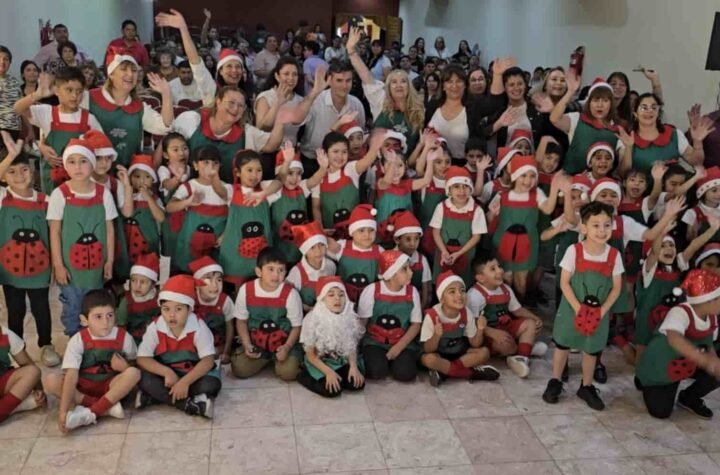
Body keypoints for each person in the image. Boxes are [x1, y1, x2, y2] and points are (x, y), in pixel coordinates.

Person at [542, 202, 623, 410]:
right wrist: (578, 308)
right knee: (563, 344)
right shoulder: (574, 250)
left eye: (607, 225)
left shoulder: (614, 255)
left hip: (598, 313)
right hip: (571, 308)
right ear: (584, 228)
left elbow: (616, 288)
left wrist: (602, 311)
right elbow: (564, 282)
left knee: (591, 348)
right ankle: (555, 380)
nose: (602, 230)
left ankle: (586, 386)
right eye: (596, 225)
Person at [47, 138, 117, 336]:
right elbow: (55, 231)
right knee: (73, 306)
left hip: (96, 267)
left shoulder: (104, 193)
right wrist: (58, 265)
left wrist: (110, 261)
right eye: (72, 161)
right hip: (70, 268)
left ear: (92, 163)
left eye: (83, 161)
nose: (77, 167)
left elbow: (109, 229)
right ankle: (74, 340)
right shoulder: (60, 194)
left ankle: (93, 340)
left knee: (95, 306)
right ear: (65, 165)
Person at [0, 132, 59, 366]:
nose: (19, 176)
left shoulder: (47, 200)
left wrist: (55, 264)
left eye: (24, 169)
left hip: (39, 267)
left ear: (32, 170)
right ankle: (17, 351)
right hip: (10, 269)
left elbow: (54, 235)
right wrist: (10, 156)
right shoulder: (2, 197)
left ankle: (46, 344)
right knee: (15, 311)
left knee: (41, 308)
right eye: (11, 171)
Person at [43, 289, 139, 432]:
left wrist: (125, 367)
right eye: (98, 317)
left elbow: (134, 364)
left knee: (134, 373)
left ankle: (92, 412)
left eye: (110, 315)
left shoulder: (124, 337)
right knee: (51, 380)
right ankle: (106, 408)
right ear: (84, 320)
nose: (105, 322)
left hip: (110, 387)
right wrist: (63, 412)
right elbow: (71, 376)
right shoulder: (77, 340)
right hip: (82, 388)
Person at [636, 269, 720, 419]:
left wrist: (714, 361)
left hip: (687, 363)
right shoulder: (680, 312)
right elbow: (674, 339)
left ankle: (689, 397)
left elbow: (708, 345)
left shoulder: (712, 318)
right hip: (662, 367)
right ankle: (650, 385)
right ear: (707, 300)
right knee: (661, 411)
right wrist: (704, 360)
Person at [136, 274, 220, 418]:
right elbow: (142, 358)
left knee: (210, 384)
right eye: (166, 309)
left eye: (178, 309)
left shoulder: (199, 328)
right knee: (143, 378)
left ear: (189, 309)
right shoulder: (155, 327)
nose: (171, 315)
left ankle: (156, 396)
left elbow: (207, 361)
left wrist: (185, 382)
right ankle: (191, 405)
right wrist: (166, 372)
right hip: (169, 375)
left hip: (192, 375)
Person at [487, 155, 561, 301]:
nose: (528, 180)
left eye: (532, 176)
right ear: (515, 176)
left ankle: (520, 305)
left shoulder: (537, 194)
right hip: (504, 244)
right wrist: (492, 213)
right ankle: (504, 306)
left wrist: (554, 187)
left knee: (521, 281)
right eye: (523, 175)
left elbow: (547, 209)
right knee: (505, 278)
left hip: (527, 245)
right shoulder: (502, 195)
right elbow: (489, 221)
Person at [81, 52, 172, 168]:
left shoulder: (139, 107)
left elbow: (165, 125)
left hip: (128, 171)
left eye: (134, 71)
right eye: (124, 69)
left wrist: (166, 93)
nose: (130, 74)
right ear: (111, 75)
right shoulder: (88, 98)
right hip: (92, 171)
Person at [467, 252, 545, 378]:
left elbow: (517, 310)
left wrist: (534, 318)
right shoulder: (474, 295)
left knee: (530, 324)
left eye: (499, 266)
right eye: (493, 269)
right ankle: (525, 347)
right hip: (488, 334)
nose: (500, 271)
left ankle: (522, 357)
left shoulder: (506, 289)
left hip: (506, 327)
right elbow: (472, 322)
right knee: (506, 346)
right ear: (481, 278)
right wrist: (492, 332)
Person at [346, 27, 423, 154]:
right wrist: (351, 50)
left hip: (406, 163)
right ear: (388, 87)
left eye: (403, 81)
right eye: (394, 82)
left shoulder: (418, 109)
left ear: (409, 86)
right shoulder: (381, 99)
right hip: (377, 161)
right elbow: (366, 76)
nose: (399, 85)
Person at [232, 247, 303, 381]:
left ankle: (285, 359)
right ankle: (264, 359)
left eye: (281, 270)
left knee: (288, 373)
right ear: (259, 272)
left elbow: (297, 326)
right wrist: (247, 345)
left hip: (284, 343)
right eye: (270, 269)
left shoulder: (291, 294)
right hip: (257, 343)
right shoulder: (246, 290)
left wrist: (287, 347)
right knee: (239, 369)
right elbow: (241, 321)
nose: (276, 275)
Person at [420, 271, 500, 386]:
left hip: (459, 354)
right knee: (429, 360)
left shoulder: (466, 313)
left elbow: (475, 344)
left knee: (484, 353)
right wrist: (436, 335)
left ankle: (444, 372)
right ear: (442, 299)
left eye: (462, 290)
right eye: (452, 291)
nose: (459, 295)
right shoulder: (432, 315)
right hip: (439, 354)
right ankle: (470, 373)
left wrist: (480, 330)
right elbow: (428, 349)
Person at [424, 61, 512, 162]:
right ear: (443, 86)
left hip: (464, 165)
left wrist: (497, 75)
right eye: (449, 81)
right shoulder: (433, 104)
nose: (454, 85)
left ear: (465, 85)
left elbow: (495, 103)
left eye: (459, 81)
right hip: (433, 164)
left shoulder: (473, 105)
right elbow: (425, 132)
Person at [217, 150, 282, 286]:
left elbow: (279, 182)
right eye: (249, 170)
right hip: (234, 251)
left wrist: (262, 194)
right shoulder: (231, 190)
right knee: (237, 284)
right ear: (237, 172)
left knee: (260, 284)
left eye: (259, 170)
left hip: (261, 251)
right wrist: (213, 176)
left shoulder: (264, 188)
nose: (254, 175)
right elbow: (219, 190)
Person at [358, 250, 422, 381]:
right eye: (404, 269)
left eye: (409, 268)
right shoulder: (371, 290)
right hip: (374, 341)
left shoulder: (412, 292)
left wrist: (398, 348)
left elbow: (416, 324)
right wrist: (354, 349)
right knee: (377, 371)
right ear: (391, 274)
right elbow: (361, 324)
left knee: (406, 374)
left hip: (401, 341)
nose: (411, 272)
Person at [297, 276, 365, 397]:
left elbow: (351, 346)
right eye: (331, 295)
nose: (337, 299)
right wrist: (328, 372)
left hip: (339, 360)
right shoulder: (311, 319)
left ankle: (338, 375)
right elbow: (310, 355)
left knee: (357, 384)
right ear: (322, 299)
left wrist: (353, 367)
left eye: (341, 295)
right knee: (332, 390)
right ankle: (304, 376)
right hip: (319, 361)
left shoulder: (349, 316)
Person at [167, 145, 229, 273]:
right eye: (205, 162)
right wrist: (188, 202)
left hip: (216, 245)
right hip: (190, 244)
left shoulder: (226, 189)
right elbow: (169, 207)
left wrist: (225, 235)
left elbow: (234, 216)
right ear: (195, 165)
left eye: (215, 163)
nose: (211, 167)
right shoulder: (189, 186)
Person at [299, 61, 366, 176]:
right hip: (312, 160)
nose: (344, 86)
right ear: (329, 81)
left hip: (343, 164)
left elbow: (360, 133)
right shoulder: (315, 100)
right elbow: (297, 120)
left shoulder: (356, 104)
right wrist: (314, 93)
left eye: (348, 80)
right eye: (339, 80)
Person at [619, 93, 713, 175]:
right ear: (635, 114)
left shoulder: (674, 134)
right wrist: (628, 148)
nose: (649, 111)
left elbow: (696, 163)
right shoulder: (626, 138)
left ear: (658, 112)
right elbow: (623, 174)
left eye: (654, 107)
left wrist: (697, 141)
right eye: (644, 108)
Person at [550, 75, 624, 175]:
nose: (600, 105)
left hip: (601, 182)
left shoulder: (616, 130)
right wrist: (570, 92)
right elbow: (554, 119)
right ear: (589, 103)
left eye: (605, 101)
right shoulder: (577, 119)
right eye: (596, 100)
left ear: (611, 104)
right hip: (571, 179)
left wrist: (628, 147)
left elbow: (622, 166)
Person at [311, 132, 379, 238]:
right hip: (331, 235)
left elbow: (367, 161)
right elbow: (316, 208)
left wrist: (375, 145)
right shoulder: (318, 178)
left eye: (344, 152)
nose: (340, 156)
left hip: (356, 234)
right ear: (325, 153)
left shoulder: (350, 169)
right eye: (335, 151)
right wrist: (320, 230)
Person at [269, 144, 327, 264]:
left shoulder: (302, 188)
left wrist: (323, 168)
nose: (295, 178)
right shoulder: (275, 190)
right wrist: (286, 163)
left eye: (299, 173)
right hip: (279, 245)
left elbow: (314, 180)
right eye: (290, 173)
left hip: (300, 245)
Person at [254, 57, 328, 151]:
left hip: (290, 151)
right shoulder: (265, 97)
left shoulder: (300, 100)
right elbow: (262, 127)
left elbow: (298, 121)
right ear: (277, 76)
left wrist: (315, 91)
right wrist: (278, 102)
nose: (291, 78)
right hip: (267, 151)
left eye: (294, 74)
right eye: (286, 74)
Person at [430, 166, 487, 285]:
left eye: (465, 186)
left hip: (465, 254)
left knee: (463, 283)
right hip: (443, 253)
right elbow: (436, 232)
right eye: (456, 187)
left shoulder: (477, 210)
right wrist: (444, 251)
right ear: (449, 190)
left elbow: (476, 237)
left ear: (470, 189)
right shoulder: (441, 207)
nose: (462, 191)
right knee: (442, 283)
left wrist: (459, 253)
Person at [188, 256, 235, 364]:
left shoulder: (225, 301)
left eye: (219, 280)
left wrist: (226, 352)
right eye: (208, 279)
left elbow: (230, 327)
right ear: (197, 284)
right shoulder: (190, 298)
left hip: (217, 345)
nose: (215, 285)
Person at [286, 220, 336, 312]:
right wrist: (307, 308)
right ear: (305, 250)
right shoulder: (297, 272)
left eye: (321, 245)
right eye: (312, 247)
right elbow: (288, 297)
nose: (318, 251)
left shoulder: (331, 266)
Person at [0, 321, 44, 424]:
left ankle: (7, 408)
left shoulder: (6, 334)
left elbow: (27, 363)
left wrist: (39, 391)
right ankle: (14, 408)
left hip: (2, 381)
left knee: (33, 372)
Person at [116, 252, 159, 345]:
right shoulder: (127, 301)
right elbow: (121, 326)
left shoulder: (159, 299)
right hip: (132, 340)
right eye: (134, 280)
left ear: (153, 285)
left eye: (143, 282)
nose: (137, 286)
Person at [0, 46, 22, 141]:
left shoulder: (14, 81)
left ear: (10, 63)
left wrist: (28, 129)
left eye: (6, 59)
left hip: (14, 129)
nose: (2, 62)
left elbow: (21, 107)